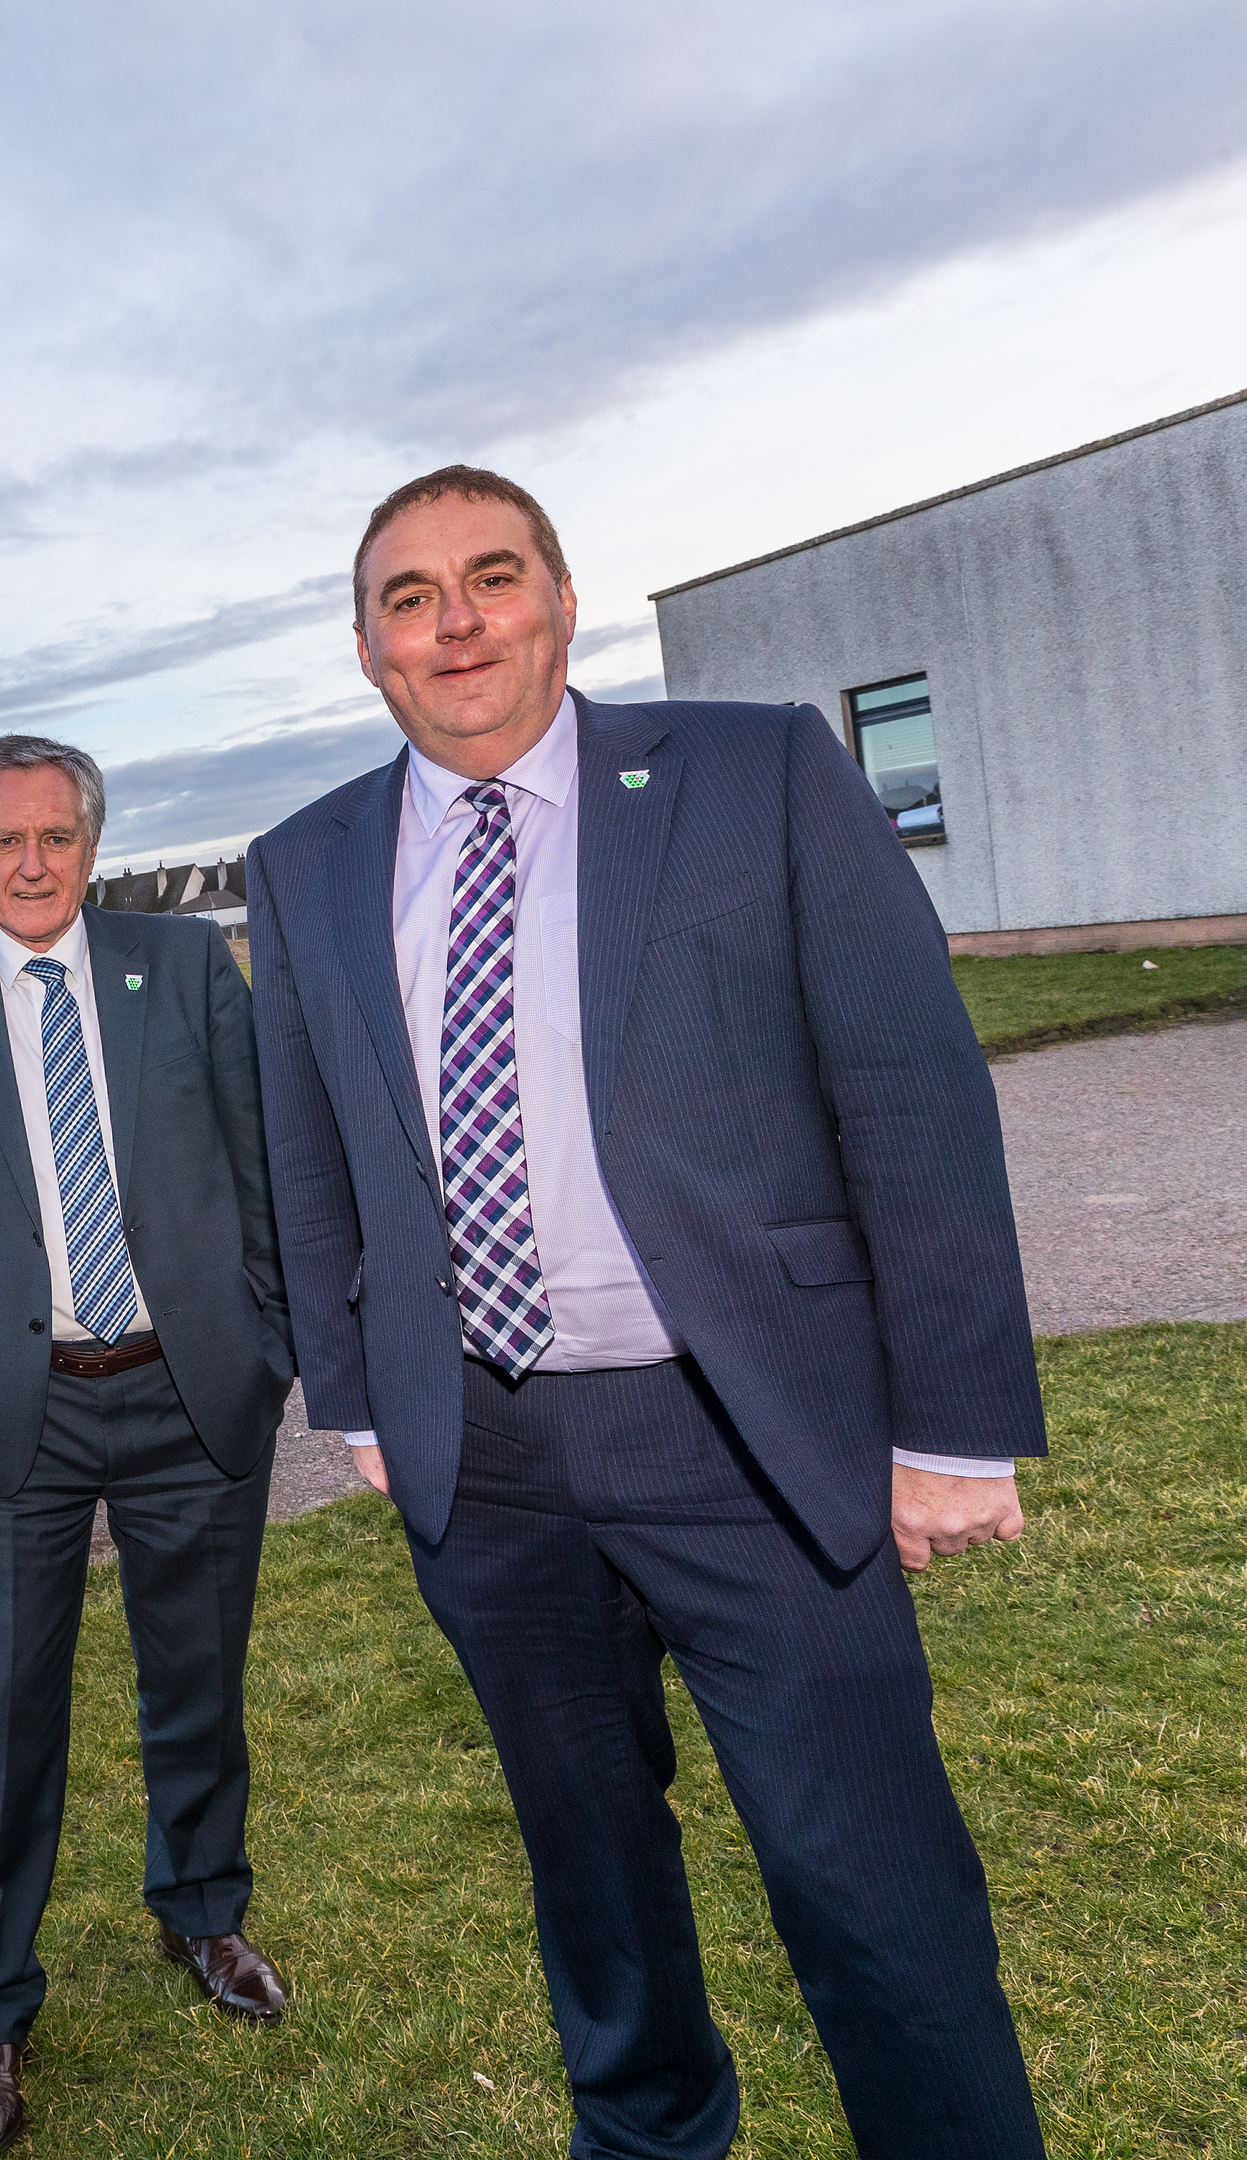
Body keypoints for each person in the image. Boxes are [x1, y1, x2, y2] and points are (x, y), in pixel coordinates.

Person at [245, 465, 1047, 2158]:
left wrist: (955, 1423)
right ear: (368, 648)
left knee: (870, 1884)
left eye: (492, 576)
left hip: (751, 1434)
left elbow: (911, 1090)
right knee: (592, 1876)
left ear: (562, 599)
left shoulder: (752, 776)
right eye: (409, 595)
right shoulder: (304, 863)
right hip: (490, 1461)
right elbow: (302, 1154)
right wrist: (365, 1399)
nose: (454, 620)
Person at [0, 733, 296, 2156]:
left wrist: (273, 1339)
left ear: (93, 844)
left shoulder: (179, 970)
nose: (31, 863)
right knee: (5, 1710)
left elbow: (261, 1161)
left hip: (190, 1393)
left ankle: (205, 1916)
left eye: (56, 837)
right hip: (11, 1411)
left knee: (198, 1672)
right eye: (4, 840)